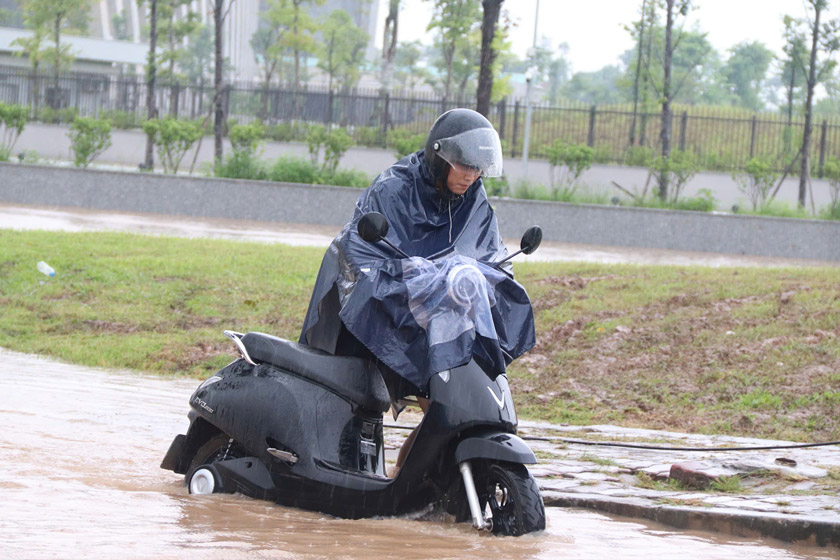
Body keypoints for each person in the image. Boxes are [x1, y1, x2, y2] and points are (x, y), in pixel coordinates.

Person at [299, 108, 535, 476]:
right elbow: (364, 256)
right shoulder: (393, 188)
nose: (471, 176)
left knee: (448, 407)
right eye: (463, 166)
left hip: (435, 319)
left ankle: (411, 483)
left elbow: (489, 255)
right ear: (439, 157)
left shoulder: (474, 197)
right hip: (375, 312)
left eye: (477, 169)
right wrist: (415, 276)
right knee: (355, 405)